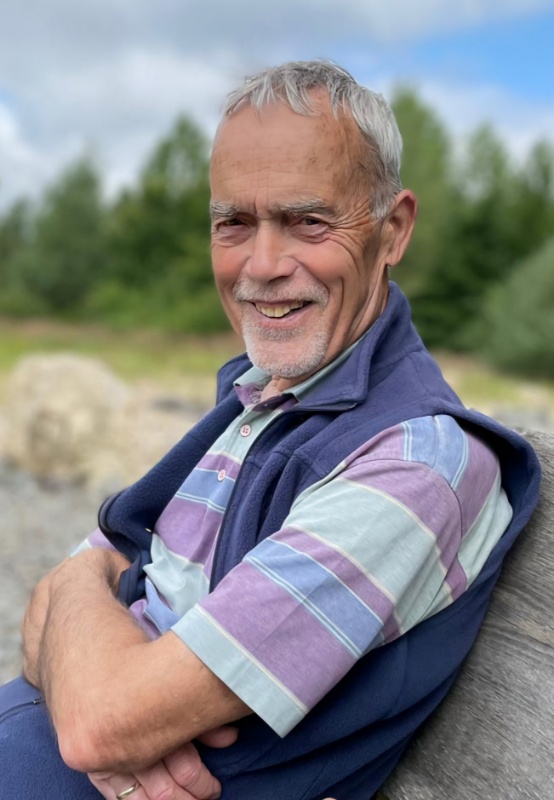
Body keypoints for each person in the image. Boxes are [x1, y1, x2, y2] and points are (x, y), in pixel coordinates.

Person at [0, 60, 541, 800]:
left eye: (308, 220)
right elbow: (43, 624)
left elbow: (99, 722)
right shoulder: (259, 398)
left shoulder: (416, 460)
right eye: (234, 223)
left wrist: (78, 604)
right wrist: (75, 606)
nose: (262, 265)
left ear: (393, 230)